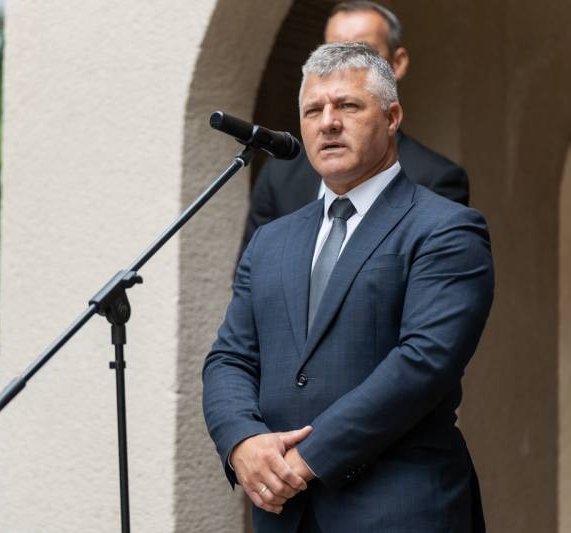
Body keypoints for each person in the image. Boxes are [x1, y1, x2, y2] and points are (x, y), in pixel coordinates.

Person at [204, 42, 494, 532]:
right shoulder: (271, 240)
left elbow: (424, 362)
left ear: (392, 117)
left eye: (348, 106)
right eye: (313, 110)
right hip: (285, 517)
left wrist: (303, 460)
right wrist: (243, 443)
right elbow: (230, 359)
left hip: (399, 511)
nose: (328, 123)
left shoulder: (445, 229)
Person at [239, 1, 470, 257]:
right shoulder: (280, 174)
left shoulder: (435, 179)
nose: (344, 64)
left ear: (398, 63)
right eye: (333, 51)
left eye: (363, 52)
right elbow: (253, 271)